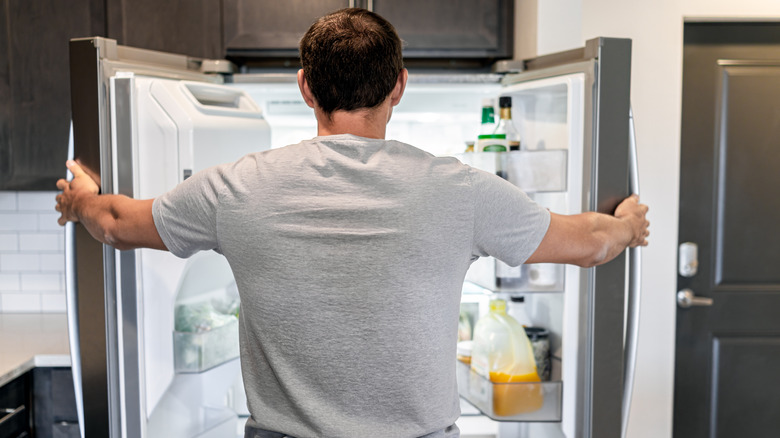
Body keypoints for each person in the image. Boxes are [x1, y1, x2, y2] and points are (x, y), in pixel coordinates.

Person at [55, 8, 649, 438]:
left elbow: (113, 221)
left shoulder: (236, 186)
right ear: (399, 86)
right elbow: (590, 243)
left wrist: (79, 198)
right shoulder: (462, 191)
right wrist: (627, 224)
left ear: (306, 87)